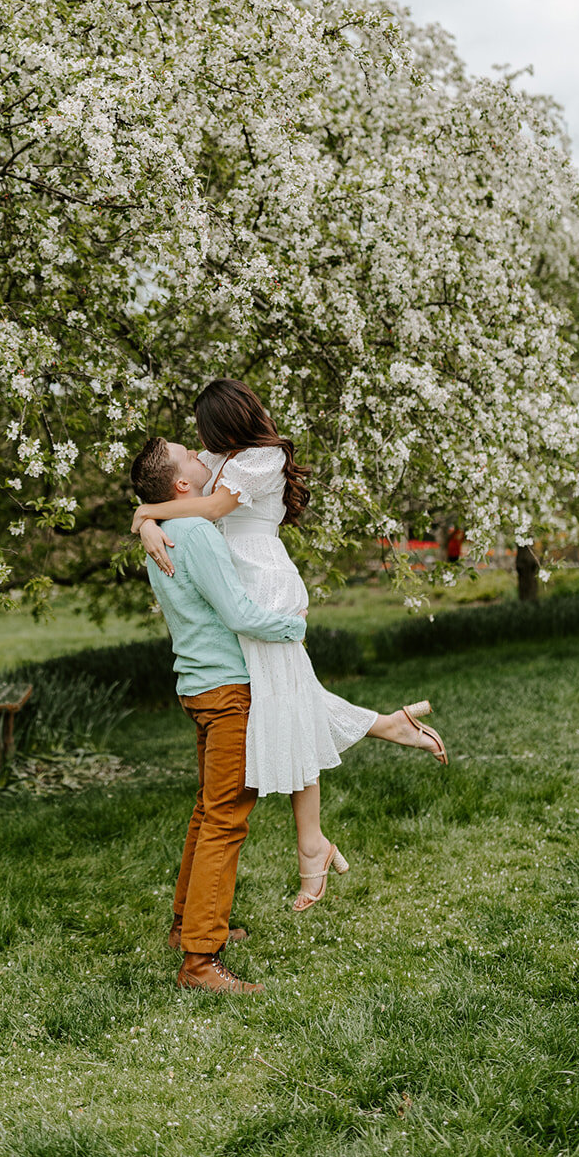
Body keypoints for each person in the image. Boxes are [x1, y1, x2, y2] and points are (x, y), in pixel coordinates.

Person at [132, 378, 448, 912]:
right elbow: (165, 483)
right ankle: (380, 740)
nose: (198, 445)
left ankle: (314, 846)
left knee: (288, 702)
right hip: (238, 586)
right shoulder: (219, 456)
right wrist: (144, 516)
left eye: (204, 432)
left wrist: (147, 515)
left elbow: (208, 508)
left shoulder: (263, 458)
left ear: (225, 426)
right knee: (289, 701)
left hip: (264, 584)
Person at [130, 434, 308, 995]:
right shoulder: (197, 533)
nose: (199, 454)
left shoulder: (165, 529)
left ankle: (186, 926)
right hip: (227, 689)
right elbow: (238, 612)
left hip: (198, 683)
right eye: (188, 455)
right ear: (183, 483)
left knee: (208, 810)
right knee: (226, 818)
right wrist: (294, 624)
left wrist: (144, 517)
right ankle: (200, 961)